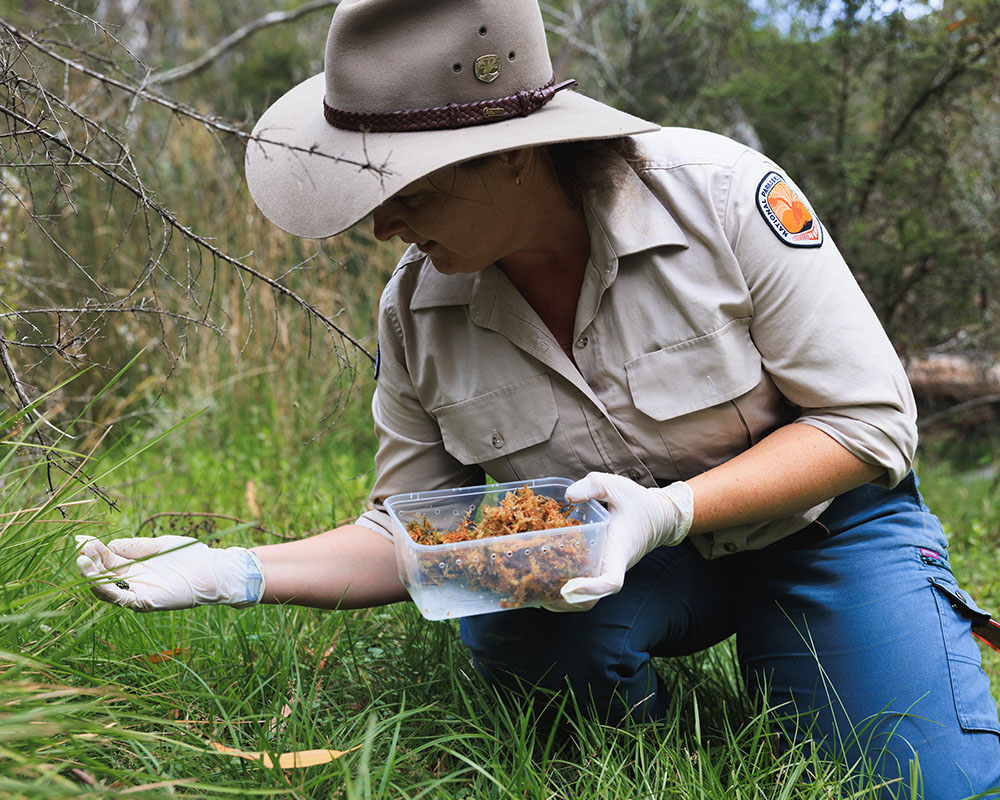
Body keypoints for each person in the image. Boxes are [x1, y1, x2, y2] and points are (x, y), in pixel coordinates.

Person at [75, 0, 1000, 796]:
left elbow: (867, 422)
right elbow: (415, 535)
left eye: (413, 190)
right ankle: (626, 721)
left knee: (923, 780)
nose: (385, 224)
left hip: (819, 531)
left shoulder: (720, 199)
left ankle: (824, 648)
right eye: (372, 193)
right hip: (606, 569)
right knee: (517, 619)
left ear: (516, 156)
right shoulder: (416, 308)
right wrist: (235, 571)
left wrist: (672, 509)